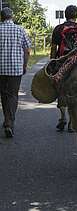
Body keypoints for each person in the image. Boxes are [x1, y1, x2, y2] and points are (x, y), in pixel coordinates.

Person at [50, 5, 77, 131]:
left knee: (60, 89)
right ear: (76, 15)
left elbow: (53, 47)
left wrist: (52, 62)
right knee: (76, 91)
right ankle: (72, 122)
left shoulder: (58, 28)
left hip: (62, 62)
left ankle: (63, 116)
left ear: (65, 15)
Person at [0, 7, 31, 138]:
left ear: (1, 18)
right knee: (13, 95)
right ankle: (9, 122)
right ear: (12, 17)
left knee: (4, 95)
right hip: (15, 69)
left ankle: (7, 119)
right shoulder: (20, 29)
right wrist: (24, 65)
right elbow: (27, 49)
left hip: (0, 69)